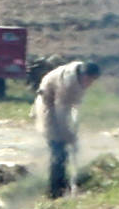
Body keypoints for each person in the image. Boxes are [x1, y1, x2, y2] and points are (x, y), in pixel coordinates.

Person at [33, 59, 102, 199]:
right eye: (90, 80)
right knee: (57, 148)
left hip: (62, 105)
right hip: (48, 104)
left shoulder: (80, 76)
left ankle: (64, 184)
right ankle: (54, 191)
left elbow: (74, 107)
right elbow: (61, 112)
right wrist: (68, 135)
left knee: (63, 148)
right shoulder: (68, 83)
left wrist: (74, 129)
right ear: (84, 76)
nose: (90, 84)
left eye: (93, 81)